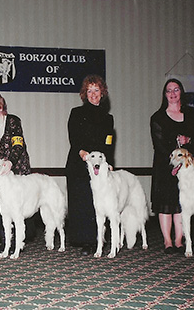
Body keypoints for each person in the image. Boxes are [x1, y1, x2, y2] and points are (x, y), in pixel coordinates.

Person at [150, 78, 194, 254]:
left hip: (187, 170)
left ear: (181, 92)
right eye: (169, 90)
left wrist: (188, 141)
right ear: (164, 94)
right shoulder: (157, 117)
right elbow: (158, 144)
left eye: (176, 89)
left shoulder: (191, 114)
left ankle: (179, 240)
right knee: (165, 205)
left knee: (181, 204)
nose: (173, 93)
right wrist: (174, 155)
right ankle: (168, 241)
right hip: (165, 166)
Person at [0, 90, 36, 253]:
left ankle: (20, 240)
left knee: (20, 207)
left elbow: (18, 144)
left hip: (16, 168)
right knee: (0, 208)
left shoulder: (13, 121)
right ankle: (5, 240)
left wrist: (10, 162)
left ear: (0, 106)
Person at [65, 74, 115, 256]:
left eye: (96, 90)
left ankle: (97, 240)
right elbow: (74, 137)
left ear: (102, 93)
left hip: (99, 166)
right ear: (84, 94)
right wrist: (82, 152)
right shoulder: (76, 113)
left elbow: (109, 143)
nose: (93, 94)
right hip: (79, 163)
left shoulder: (108, 118)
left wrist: (108, 163)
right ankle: (84, 239)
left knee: (99, 203)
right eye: (89, 90)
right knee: (83, 202)